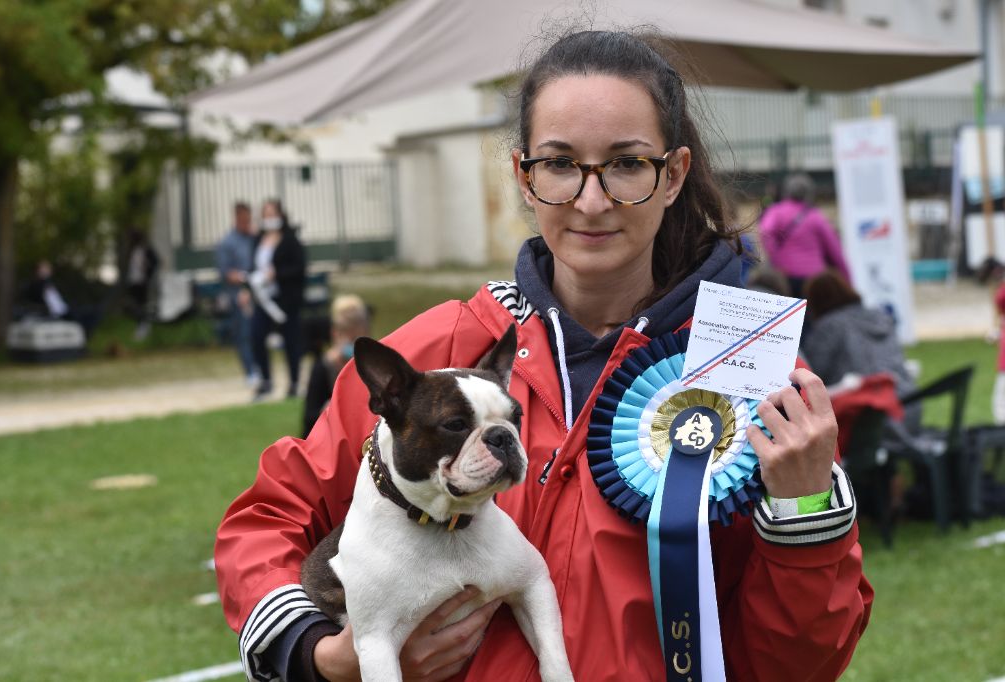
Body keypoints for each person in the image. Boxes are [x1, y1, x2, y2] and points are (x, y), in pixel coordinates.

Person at [216, 29, 872, 682]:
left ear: (672, 175)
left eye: (625, 164)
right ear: (523, 178)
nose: (591, 200)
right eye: (559, 164)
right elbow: (267, 521)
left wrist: (807, 510)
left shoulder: (753, 371)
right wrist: (325, 657)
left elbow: (798, 663)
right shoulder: (440, 350)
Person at [801, 269, 921, 442]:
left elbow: (812, 376)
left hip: (866, 419)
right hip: (908, 408)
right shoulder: (880, 317)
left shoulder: (827, 328)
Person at [249, 199, 307, 400]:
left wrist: (277, 274)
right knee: (257, 336)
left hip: (285, 300)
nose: (269, 218)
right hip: (262, 299)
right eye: (266, 214)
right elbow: (252, 267)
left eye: (273, 214)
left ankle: (293, 382)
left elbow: (299, 267)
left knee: (290, 340)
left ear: (281, 215)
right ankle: (265, 381)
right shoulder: (258, 240)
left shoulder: (290, 240)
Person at [758, 173, 851, 297]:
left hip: (786, 275)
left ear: (787, 191)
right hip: (814, 277)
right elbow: (835, 250)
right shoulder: (816, 216)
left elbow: (765, 233)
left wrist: (776, 258)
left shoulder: (776, 212)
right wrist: (847, 278)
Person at [302, 294, 372, 439]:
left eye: (357, 337)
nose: (352, 343)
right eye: (348, 336)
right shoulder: (324, 367)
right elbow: (309, 418)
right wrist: (332, 409)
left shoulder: (372, 365)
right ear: (335, 333)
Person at [217, 201, 259, 387]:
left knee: (257, 333)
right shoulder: (227, 242)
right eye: (243, 220)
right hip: (239, 296)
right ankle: (250, 371)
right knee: (243, 335)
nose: (246, 223)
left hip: (256, 294)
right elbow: (226, 272)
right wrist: (245, 278)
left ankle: (259, 367)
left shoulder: (253, 238)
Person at [124, 230, 160, 340]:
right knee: (134, 306)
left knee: (142, 305)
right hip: (133, 282)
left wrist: (148, 270)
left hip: (143, 282)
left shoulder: (146, 249)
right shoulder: (131, 250)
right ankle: (141, 326)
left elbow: (155, 261)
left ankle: (144, 327)